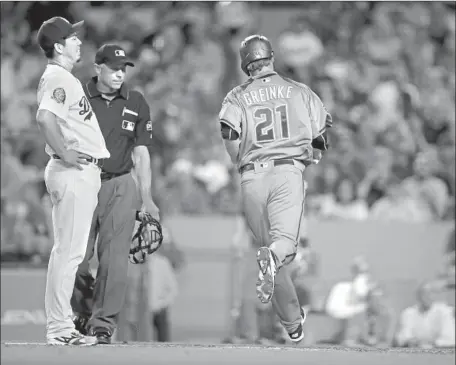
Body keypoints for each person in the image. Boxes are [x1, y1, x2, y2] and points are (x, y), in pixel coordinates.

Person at [218, 34, 332, 344]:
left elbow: (229, 132)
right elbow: (321, 134)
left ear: (246, 64)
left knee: (272, 256)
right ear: (271, 58)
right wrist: (315, 155)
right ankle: (274, 262)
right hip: (286, 172)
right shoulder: (299, 91)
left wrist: (237, 159)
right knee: (283, 249)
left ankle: (292, 324)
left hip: (252, 178)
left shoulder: (236, 95)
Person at [70, 44, 159, 344]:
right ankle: (82, 310)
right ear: (98, 68)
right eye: (113, 68)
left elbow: (142, 152)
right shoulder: (77, 95)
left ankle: (103, 324)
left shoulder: (136, 100)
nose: (120, 73)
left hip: (120, 183)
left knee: (115, 260)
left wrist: (147, 197)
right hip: (83, 180)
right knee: (76, 259)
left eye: (123, 69)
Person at [35, 16, 110, 345]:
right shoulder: (58, 78)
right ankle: (60, 329)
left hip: (77, 172)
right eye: (71, 37)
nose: (78, 41)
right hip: (73, 171)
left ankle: (59, 326)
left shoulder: (61, 77)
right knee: (69, 253)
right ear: (58, 46)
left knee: (67, 252)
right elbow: (44, 117)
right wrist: (65, 152)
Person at [394, 281, 455, 348]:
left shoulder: (445, 312)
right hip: (414, 352)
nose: (426, 296)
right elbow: (402, 337)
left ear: (435, 295)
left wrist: (431, 344)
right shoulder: (408, 313)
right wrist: (413, 342)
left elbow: (450, 339)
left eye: (430, 293)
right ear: (418, 296)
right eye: (423, 293)